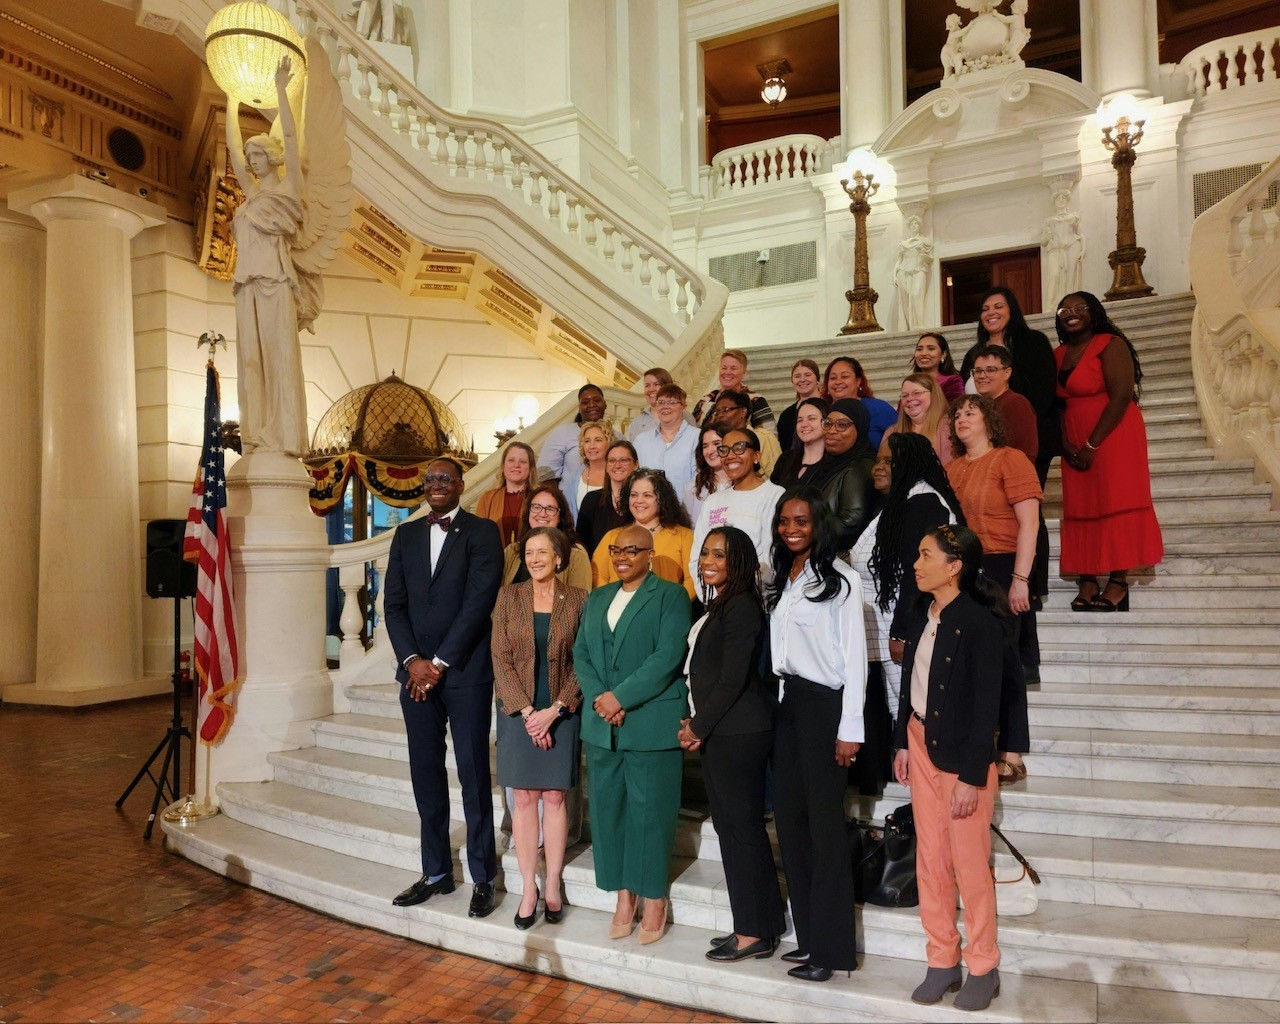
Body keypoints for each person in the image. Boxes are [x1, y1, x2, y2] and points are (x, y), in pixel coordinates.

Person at [893, 525, 1010, 1012]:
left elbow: (988, 708)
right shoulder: (923, 615)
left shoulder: (981, 623)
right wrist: (902, 740)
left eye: (926, 556)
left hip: (963, 756)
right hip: (920, 746)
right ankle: (942, 960)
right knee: (930, 859)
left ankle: (983, 965)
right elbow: (910, 683)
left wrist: (971, 774)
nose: (916, 565)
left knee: (968, 864)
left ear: (955, 565)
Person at [384, 457, 503, 917]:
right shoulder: (407, 534)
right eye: (429, 479)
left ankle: (482, 876)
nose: (436, 484)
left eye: (444, 479)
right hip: (415, 677)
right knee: (425, 775)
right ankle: (435, 872)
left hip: (465, 673)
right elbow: (393, 604)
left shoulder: (482, 532)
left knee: (472, 774)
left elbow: (478, 603)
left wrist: (437, 662)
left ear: (460, 485)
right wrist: (412, 661)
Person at [573, 524, 692, 944]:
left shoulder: (671, 596)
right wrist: (600, 698)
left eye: (632, 550)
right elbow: (581, 653)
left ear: (649, 552)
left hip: (649, 721)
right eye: (615, 549)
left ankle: (654, 896)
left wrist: (620, 698)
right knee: (608, 813)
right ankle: (624, 894)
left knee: (651, 813)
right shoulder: (598, 598)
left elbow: (668, 656)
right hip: (603, 726)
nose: (622, 556)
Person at [768, 489, 864, 982]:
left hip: (825, 710)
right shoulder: (784, 580)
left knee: (825, 832)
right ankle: (807, 939)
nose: (791, 528)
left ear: (819, 523)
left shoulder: (843, 581)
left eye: (801, 520)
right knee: (791, 824)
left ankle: (830, 951)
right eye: (784, 521)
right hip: (787, 708)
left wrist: (850, 729)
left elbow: (854, 663)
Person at [679, 527, 785, 963]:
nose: (708, 560)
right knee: (736, 829)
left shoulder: (740, 607)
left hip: (739, 733)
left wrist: (699, 725)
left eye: (719, 555)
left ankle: (753, 930)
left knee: (740, 830)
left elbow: (733, 677)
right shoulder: (722, 605)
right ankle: (759, 925)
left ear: (738, 561)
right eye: (705, 553)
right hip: (726, 730)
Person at [848, 433, 962, 794]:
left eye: (888, 462)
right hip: (881, 624)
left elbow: (918, 577)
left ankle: (930, 789)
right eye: (877, 460)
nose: (878, 468)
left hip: (904, 624)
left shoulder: (924, 500)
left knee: (913, 708)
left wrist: (902, 632)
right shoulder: (900, 501)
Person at [491, 527, 588, 929]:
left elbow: (586, 660)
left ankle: (552, 884)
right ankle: (528, 888)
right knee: (525, 798)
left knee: (554, 796)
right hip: (518, 712)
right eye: (529, 552)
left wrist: (555, 710)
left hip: (563, 710)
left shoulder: (580, 600)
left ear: (559, 558)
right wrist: (530, 712)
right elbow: (500, 657)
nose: (534, 559)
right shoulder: (508, 597)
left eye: (542, 552)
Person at [945, 395, 1039, 785]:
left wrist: (1020, 579)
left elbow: (1030, 524)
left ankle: (1012, 751)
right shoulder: (951, 468)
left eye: (971, 412)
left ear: (989, 420)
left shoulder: (1009, 458)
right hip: (966, 571)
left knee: (1005, 662)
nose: (962, 419)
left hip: (1003, 568)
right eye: (957, 414)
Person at [1054, 291, 1163, 611]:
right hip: (1074, 440)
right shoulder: (1058, 354)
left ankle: (1118, 580)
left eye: (1080, 308)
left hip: (1113, 436)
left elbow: (1120, 398)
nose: (1071, 313)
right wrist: (1065, 444)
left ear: (1095, 313)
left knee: (1116, 500)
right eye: (1065, 309)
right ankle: (1087, 578)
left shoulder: (1110, 345)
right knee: (1082, 505)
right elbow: (1056, 406)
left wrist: (1092, 444)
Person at [224, 58, 309, 455]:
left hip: (276, 283)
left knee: (279, 362)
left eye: (256, 154)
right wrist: (230, 96)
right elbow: (231, 150)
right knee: (250, 363)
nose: (250, 161)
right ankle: (256, 435)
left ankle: (285, 437)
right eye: (248, 156)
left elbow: (291, 139)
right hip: (247, 285)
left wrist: (280, 90)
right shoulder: (252, 196)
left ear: (271, 158)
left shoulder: (288, 187)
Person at [960, 286, 1059, 484]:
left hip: (1026, 436)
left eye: (998, 306)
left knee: (1023, 499)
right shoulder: (974, 353)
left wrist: (1021, 424)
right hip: (982, 443)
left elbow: (1045, 391)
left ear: (1011, 310)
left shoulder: (1033, 342)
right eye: (985, 309)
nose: (991, 313)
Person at [690, 428, 786, 583]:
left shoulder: (774, 495)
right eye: (724, 450)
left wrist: (739, 597)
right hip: (715, 598)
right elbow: (697, 557)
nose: (730, 456)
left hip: (754, 597)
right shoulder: (713, 501)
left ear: (756, 456)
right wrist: (712, 597)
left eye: (739, 448)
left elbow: (771, 557)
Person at [593, 469, 696, 598]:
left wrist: (672, 605)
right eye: (634, 495)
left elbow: (692, 579)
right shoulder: (612, 537)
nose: (638, 501)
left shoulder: (684, 536)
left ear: (661, 500)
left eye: (647, 495)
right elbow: (598, 575)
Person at [808, 398, 878, 553]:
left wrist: (804, 523)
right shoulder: (828, 464)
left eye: (842, 425)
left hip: (843, 561)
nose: (832, 430)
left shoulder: (859, 468)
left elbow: (849, 525)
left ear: (859, 428)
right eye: (828, 423)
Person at [502, 485, 593, 591]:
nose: (542, 514)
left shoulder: (575, 554)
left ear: (560, 516)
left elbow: (581, 601)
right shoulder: (512, 551)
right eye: (536, 507)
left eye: (550, 509)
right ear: (528, 512)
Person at [633, 383, 699, 508]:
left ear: (683, 407)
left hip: (686, 515)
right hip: (647, 514)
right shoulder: (641, 441)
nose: (665, 407)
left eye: (672, 402)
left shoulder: (697, 438)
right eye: (661, 402)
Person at [969, 346, 1037, 462]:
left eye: (990, 370)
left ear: (1007, 373)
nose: (982, 376)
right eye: (978, 371)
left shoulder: (1016, 403)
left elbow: (1025, 453)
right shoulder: (982, 407)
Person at [539, 384, 610, 493]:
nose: (592, 405)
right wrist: (559, 504)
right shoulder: (562, 433)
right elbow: (546, 476)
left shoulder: (618, 437)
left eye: (597, 400)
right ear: (579, 408)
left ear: (605, 404)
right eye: (585, 402)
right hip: (570, 505)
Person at [576, 440, 636, 557]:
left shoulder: (642, 501)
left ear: (636, 465)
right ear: (607, 467)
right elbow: (581, 544)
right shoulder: (591, 500)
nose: (617, 465)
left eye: (623, 460)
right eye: (612, 461)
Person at [692, 349, 776, 432]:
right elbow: (693, 434)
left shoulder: (755, 401)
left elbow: (768, 435)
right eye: (724, 368)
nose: (727, 372)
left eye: (733, 368)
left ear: (744, 373)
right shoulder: (706, 400)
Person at [824, 356, 896, 450]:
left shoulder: (879, 409)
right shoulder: (823, 413)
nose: (838, 382)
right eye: (833, 378)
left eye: (845, 376)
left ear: (858, 381)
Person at [475, 441, 537, 546]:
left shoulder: (538, 498)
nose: (516, 465)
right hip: (494, 560)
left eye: (523, 461)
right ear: (503, 465)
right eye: (511, 460)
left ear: (530, 468)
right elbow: (478, 537)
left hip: (530, 560)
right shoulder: (487, 498)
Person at [886, 373, 954, 468]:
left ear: (933, 394)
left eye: (916, 393)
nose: (909, 399)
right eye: (905, 395)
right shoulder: (891, 432)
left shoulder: (950, 426)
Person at [713, 390, 782, 476]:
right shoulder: (718, 442)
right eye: (718, 411)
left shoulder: (763, 437)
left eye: (726, 410)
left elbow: (776, 474)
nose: (720, 415)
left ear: (743, 412)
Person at [770, 397, 827, 488]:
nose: (804, 424)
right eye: (800, 420)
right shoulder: (785, 459)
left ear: (826, 422)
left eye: (811, 418)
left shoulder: (835, 462)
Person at [686, 423, 729, 522]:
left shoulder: (743, 484)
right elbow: (688, 529)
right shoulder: (692, 488)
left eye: (716, 444)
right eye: (705, 446)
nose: (710, 451)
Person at [568, 422, 610, 523]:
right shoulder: (574, 478)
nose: (592, 446)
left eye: (598, 440)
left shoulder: (618, 475)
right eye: (587, 441)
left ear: (609, 443)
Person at [776, 358, 822, 451]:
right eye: (797, 376)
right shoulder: (786, 416)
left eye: (807, 375)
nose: (802, 379)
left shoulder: (831, 407)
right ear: (792, 381)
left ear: (817, 378)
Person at [911, 332, 964, 402]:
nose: (923, 353)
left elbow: (956, 409)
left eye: (931, 349)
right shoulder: (910, 383)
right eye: (919, 349)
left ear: (943, 355)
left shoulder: (953, 382)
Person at [627, 367, 676, 441]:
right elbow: (632, 451)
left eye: (656, 384)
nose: (651, 389)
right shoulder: (637, 422)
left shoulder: (683, 415)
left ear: (667, 387)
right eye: (647, 385)